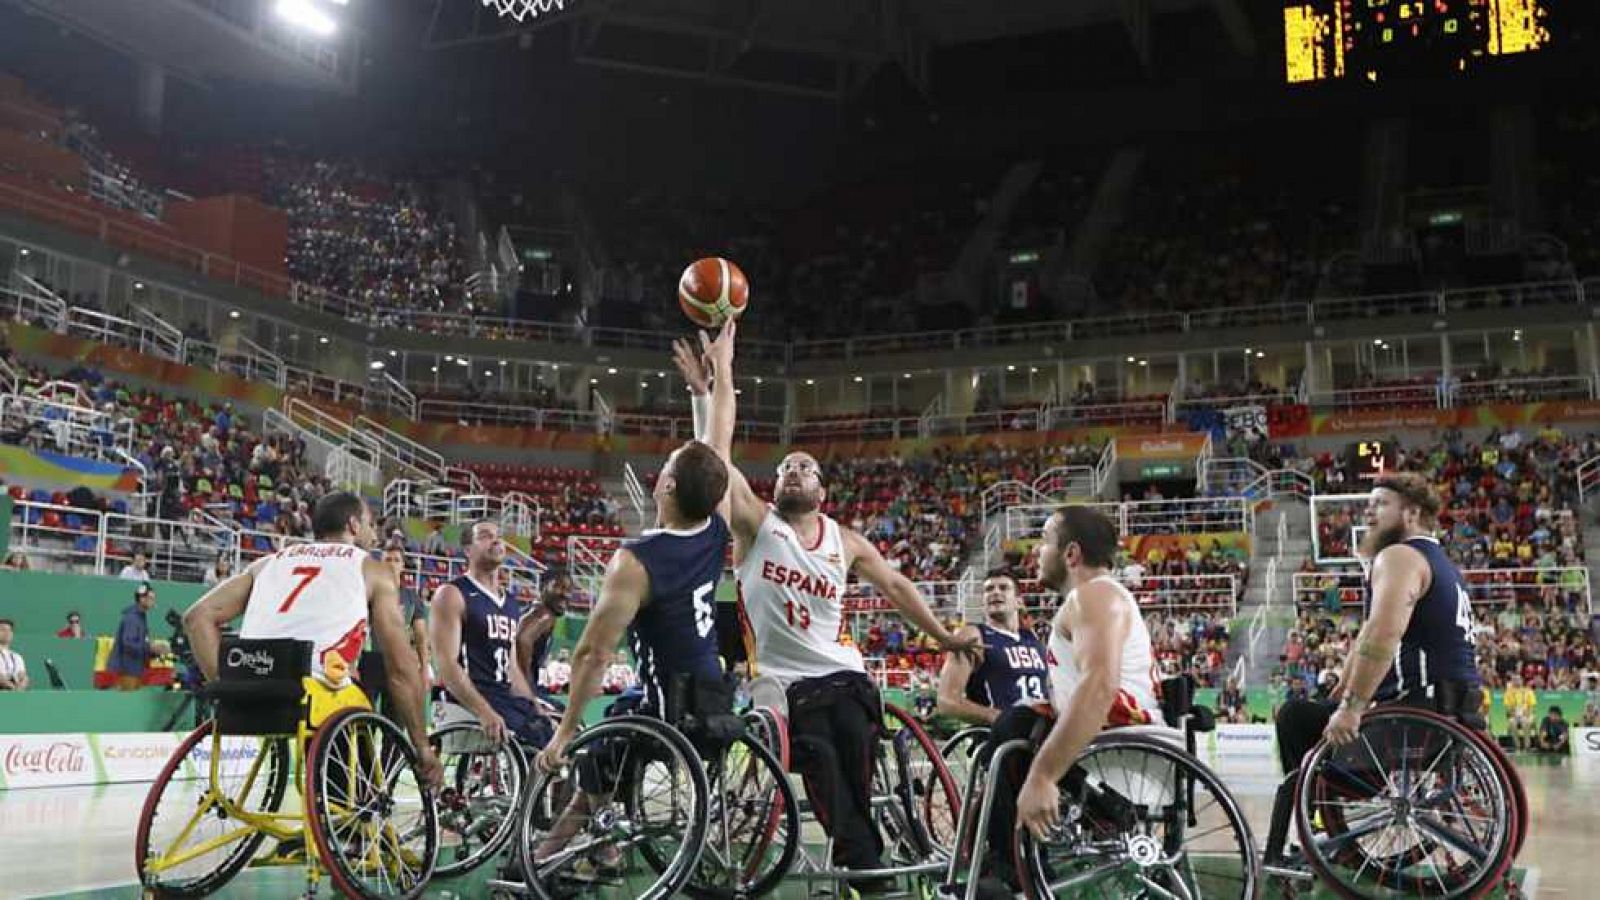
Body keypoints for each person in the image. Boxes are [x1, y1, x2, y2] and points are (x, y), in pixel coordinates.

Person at [676, 320, 979, 889]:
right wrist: (717, 381)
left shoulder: (847, 541)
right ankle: (864, 856)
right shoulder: (756, 524)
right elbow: (714, 460)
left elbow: (896, 587)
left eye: (805, 467)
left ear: (823, 490)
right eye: (786, 467)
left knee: (856, 731)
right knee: (818, 742)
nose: (794, 470)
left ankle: (864, 848)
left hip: (843, 674)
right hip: (783, 683)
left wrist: (942, 636)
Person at [1263, 474, 1487, 866]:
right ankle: (1323, 818)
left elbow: (1383, 636)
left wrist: (1352, 706)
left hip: (1415, 713)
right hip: (1456, 707)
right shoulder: (1443, 565)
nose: (1368, 510)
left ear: (1412, 513)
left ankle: (1311, 822)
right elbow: (1367, 634)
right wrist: (1339, 693)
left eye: (1381, 503)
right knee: (1316, 708)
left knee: (1295, 716)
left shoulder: (1400, 557)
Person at [532, 439, 732, 876]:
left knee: (595, 749)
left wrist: (565, 733)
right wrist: (712, 384)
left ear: (668, 485)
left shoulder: (637, 560)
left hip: (669, 707)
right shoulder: (717, 530)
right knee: (609, 750)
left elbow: (592, 653)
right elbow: (720, 445)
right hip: (715, 695)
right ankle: (558, 854)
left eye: (666, 464)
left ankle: (591, 845)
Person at [181, 491, 441, 789]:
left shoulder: (268, 562)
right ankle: (354, 816)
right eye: (370, 524)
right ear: (354, 526)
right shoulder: (370, 568)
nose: (374, 534)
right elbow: (400, 665)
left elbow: (196, 618)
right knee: (352, 693)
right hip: (313, 694)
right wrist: (421, 744)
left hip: (248, 687)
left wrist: (228, 687)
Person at [978, 506, 1164, 895]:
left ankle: (1011, 875)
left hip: (1122, 746)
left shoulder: (1093, 596)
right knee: (1015, 723)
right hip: (1118, 741)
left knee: (1012, 728)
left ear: (1071, 554)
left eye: (1045, 542)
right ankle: (1010, 866)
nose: (1036, 553)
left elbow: (1099, 688)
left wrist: (1042, 776)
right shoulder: (1094, 598)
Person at [430, 521, 550, 748]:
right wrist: (484, 711)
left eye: (498, 535)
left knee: (560, 726)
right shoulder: (452, 594)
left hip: (503, 697)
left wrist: (534, 704)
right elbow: (446, 665)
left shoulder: (511, 603)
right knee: (536, 739)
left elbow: (512, 668)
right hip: (467, 698)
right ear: (467, 550)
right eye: (485, 536)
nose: (496, 540)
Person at [936, 568, 1049, 726]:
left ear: (1019, 601)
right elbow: (946, 701)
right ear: (983, 602)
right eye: (988, 589)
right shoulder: (972, 635)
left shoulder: (1033, 639)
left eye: (1003, 588)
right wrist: (997, 717)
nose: (995, 592)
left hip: (1038, 735)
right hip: (998, 739)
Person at [357, 546, 431, 715]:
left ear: (403, 565)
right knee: (362, 718)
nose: (391, 564)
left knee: (396, 722)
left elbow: (421, 636)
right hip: (370, 661)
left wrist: (424, 669)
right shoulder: (368, 593)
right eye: (387, 559)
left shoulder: (411, 597)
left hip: (400, 661)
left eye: (396, 560)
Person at [515, 571, 571, 703]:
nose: (565, 594)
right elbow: (522, 640)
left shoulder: (533, 610)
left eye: (568, 589)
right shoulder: (545, 615)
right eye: (558, 586)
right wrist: (527, 686)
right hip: (518, 690)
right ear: (542, 587)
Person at [109, 585, 168, 690]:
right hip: (127, 670)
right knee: (127, 703)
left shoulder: (140, 617)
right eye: (150, 598)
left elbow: (140, 643)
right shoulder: (132, 618)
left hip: (134, 669)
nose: (153, 601)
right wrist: (150, 647)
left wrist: (154, 650)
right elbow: (128, 643)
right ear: (141, 599)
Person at [1504, 673, 1537, 752]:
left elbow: (1532, 706)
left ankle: (1527, 746)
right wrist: (1513, 714)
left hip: (1527, 714)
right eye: (1514, 680)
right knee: (1512, 722)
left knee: (1525, 722)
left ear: (1522, 681)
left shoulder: (1528, 691)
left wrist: (1526, 714)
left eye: (1518, 679)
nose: (1516, 681)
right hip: (1514, 714)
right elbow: (1508, 708)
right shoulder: (1508, 692)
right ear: (1512, 682)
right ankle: (1517, 746)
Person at [0, 619, 27, 691]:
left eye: (10, 630)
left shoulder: (16, 657)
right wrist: (11, 686)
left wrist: (20, 687)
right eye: (3, 630)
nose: (7, 633)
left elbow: (23, 676)